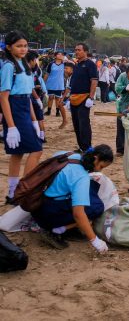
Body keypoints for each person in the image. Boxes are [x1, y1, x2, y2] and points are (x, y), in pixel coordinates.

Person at [32, 145, 113, 253]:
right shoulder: (81, 177)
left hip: (36, 203)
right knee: (97, 207)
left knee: (90, 189)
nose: (100, 171)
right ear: (96, 158)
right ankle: (58, 230)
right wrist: (95, 241)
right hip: (47, 214)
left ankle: (64, 226)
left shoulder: (68, 154)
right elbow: (78, 214)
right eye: (101, 166)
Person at [1, 31, 43, 203]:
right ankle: (25, 189)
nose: (23, 49)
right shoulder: (8, 67)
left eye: (25, 45)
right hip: (15, 109)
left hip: (25, 107)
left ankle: (12, 193)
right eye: (19, 46)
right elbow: (3, 97)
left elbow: (27, 95)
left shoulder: (25, 64)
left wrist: (34, 121)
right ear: (9, 47)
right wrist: (10, 126)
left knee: (17, 154)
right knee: (37, 149)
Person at [69, 43, 98, 151]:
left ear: (85, 51)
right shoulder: (76, 65)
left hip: (84, 98)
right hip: (74, 98)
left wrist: (90, 98)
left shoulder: (90, 64)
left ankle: (87, 147)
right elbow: (73, 82)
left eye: (79, 50)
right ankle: (81, 147)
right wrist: (68, 97)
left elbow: (94, 81)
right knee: (76, 123)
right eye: (75, 50)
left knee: (83, 124)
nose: (76, 52)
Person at [26, 50, 47, 142]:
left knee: (37, 117)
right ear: (31, 60)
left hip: (37, 95)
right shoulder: (28, 71)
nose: (36, 62)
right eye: (35, 60)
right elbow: (31, 87)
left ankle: (41, 136)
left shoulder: (36, 70)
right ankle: (39, 136)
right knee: (36, 117)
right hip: (32, 96)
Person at [44, 50, 66, 123]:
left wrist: (66, 59)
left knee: (57, 98)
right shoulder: (51, 64)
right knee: (50, 97)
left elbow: (73, 64)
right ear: (55, 56)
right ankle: (49, 110)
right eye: (59, 54)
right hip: (51, 83)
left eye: (62, 54)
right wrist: (43, 82)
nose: (60, 55)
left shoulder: (64, 64)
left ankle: (57, 111)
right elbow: (47, 74)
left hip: (59, 83)